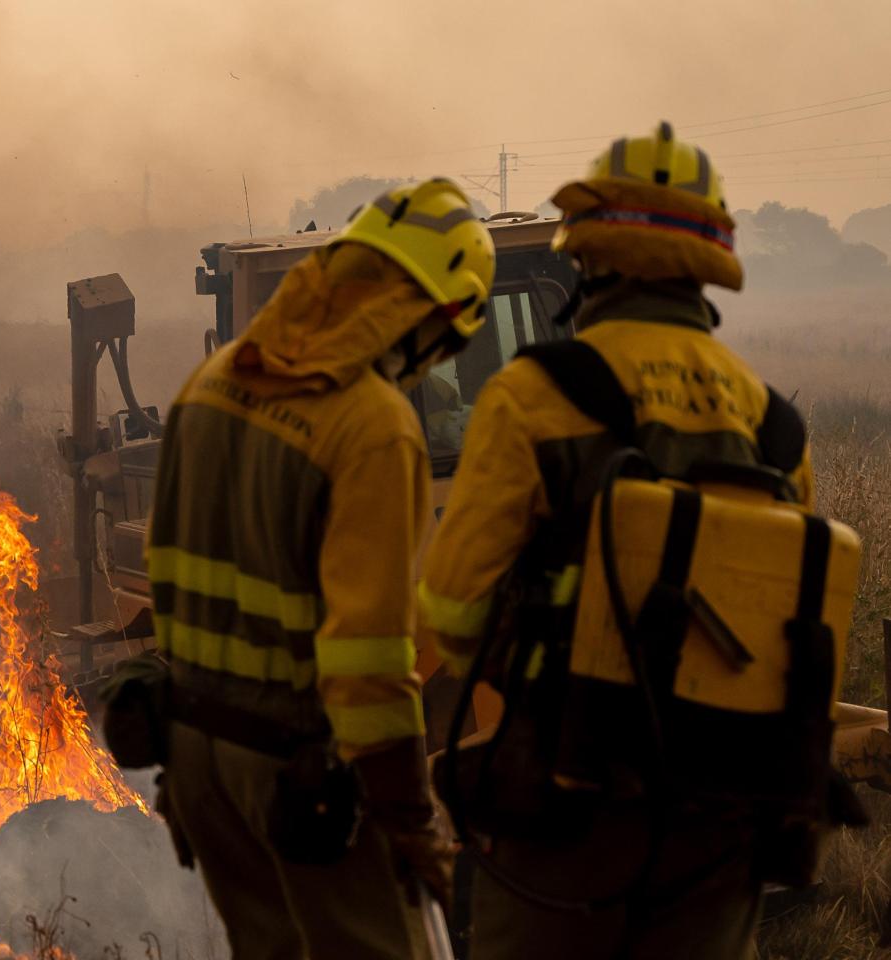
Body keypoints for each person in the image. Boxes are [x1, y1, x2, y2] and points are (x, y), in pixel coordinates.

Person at [416, 123, 812, 959]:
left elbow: (451, 609)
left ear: (586, 254)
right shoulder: (776, 427)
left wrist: (534, 668)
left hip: (568, 806)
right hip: (724, 814)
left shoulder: (534, 397)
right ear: (709, 263)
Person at [147, 178, 494, 960]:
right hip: (307, 777)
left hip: (199, 760)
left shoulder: (211, 385)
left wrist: (185, 761)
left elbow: (166, 581)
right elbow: (370, 660)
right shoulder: (372, 425)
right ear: (434, 316)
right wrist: (410, 816)